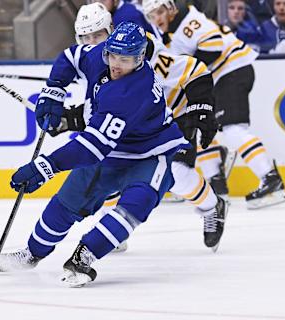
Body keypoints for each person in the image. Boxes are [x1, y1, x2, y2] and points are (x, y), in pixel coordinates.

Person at [0, 22, 189, 287]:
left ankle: (85, 254)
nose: (116, 64)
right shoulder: (101, 55)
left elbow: (92, 147)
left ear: (140, 58)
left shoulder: (131, 92)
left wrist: (45, 167)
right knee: (67, 202)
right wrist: (54, 91)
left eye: (126, 59)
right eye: (112, 56)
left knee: (138, 201)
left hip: (149, 153)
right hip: (111, 150)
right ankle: (32, 253)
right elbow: (70, 57)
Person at [71, 2, 227, 251]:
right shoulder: (91, 61)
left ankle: (212, 206)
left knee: (176, 174)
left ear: (111, 30)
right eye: (85, 37)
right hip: (136, 121)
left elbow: (193, 70)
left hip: (171, 113)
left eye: (97, 35)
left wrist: (202, 106)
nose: (91, 42)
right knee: (107, 165)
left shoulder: (143, 50)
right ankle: (114, 231)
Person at [143, 0, 285, 209]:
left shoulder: (188, 21)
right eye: (151, 15)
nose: (156, 19)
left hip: (231, 70)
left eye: (159, 12)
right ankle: (217, 181)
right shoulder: (174, 33)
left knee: (233, 129)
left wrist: (191, 70)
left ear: (171, 8)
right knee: (200, 122)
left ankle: (270, 178)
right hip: (222, 77)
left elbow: (214, 45)